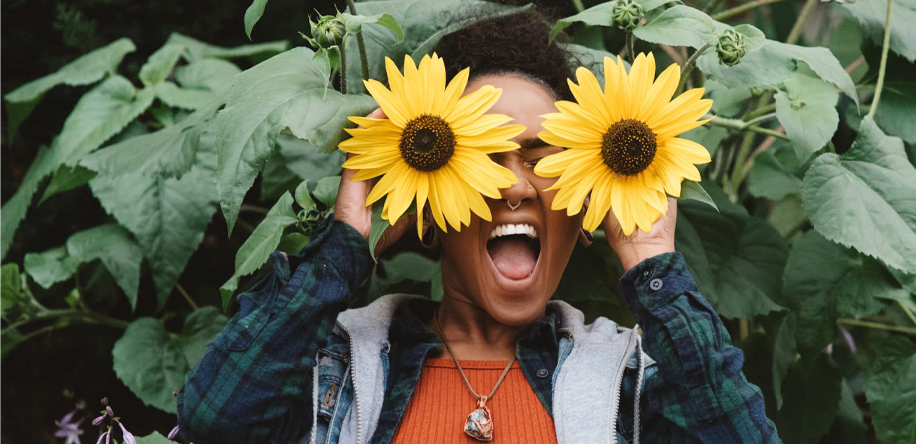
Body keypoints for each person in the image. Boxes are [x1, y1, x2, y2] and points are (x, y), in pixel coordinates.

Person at [176, 9, 779, 444]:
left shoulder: (631, 382)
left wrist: (653, 263)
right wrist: (345, 244)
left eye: (545, 160)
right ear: (430, 217)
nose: (516, 186)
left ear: (586, 215)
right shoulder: (338, 366)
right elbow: (217, 422)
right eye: (486, 159)